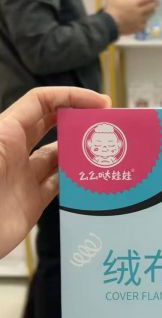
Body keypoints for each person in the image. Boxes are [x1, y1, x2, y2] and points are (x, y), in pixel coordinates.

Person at [0, 0, 157, 318]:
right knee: (64, 255)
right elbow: (41, 47)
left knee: (57, 250)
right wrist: (111, 21)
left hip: (57, 128)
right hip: (46, 129)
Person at [0, 87, 110, 260]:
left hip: (63, 151)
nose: (104, 148)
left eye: (109, 144)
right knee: (55, 246)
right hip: (43, 146)